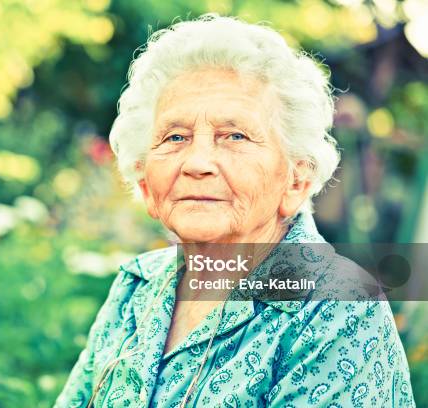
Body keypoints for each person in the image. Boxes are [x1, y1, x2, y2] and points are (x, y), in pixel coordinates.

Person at [55, 14, 415, 407]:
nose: (197, 162)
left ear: (295, 180)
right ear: (145, 181)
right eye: (175, 137)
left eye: (235, 136)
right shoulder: (137, 286)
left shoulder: (337, 308)